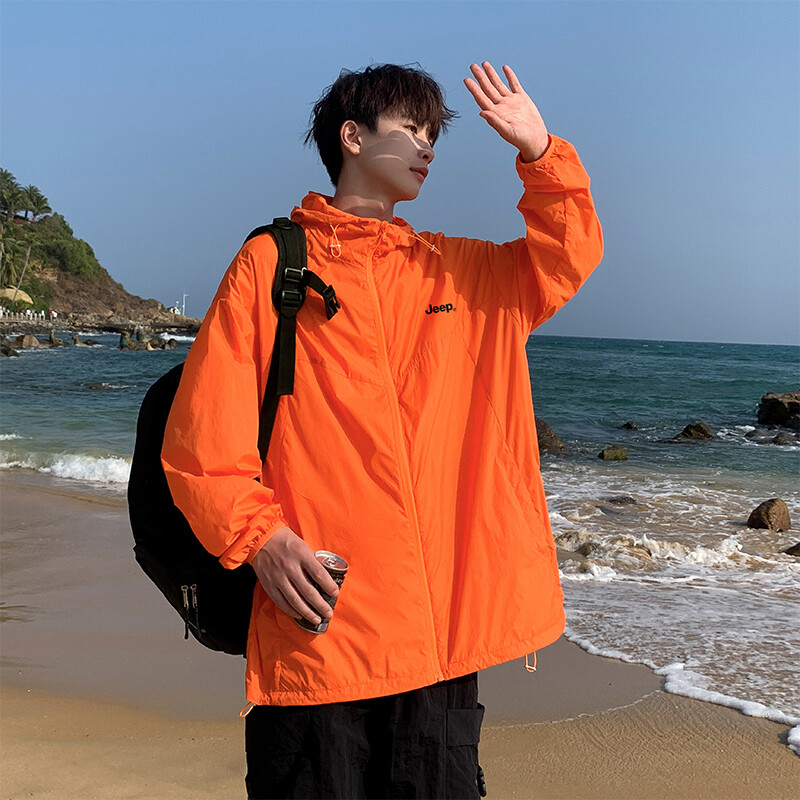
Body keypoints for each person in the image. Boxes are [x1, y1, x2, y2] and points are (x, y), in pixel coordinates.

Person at [162, 61, 603, 799]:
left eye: (435, 134)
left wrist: (539, 151)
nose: (428, 146)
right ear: (352, 136)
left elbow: (565, 258)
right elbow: (202, 443)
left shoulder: (460, 273)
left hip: (438, 647)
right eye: (410, 128)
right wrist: (261, 540)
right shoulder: (273, 265)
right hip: (318, 630)